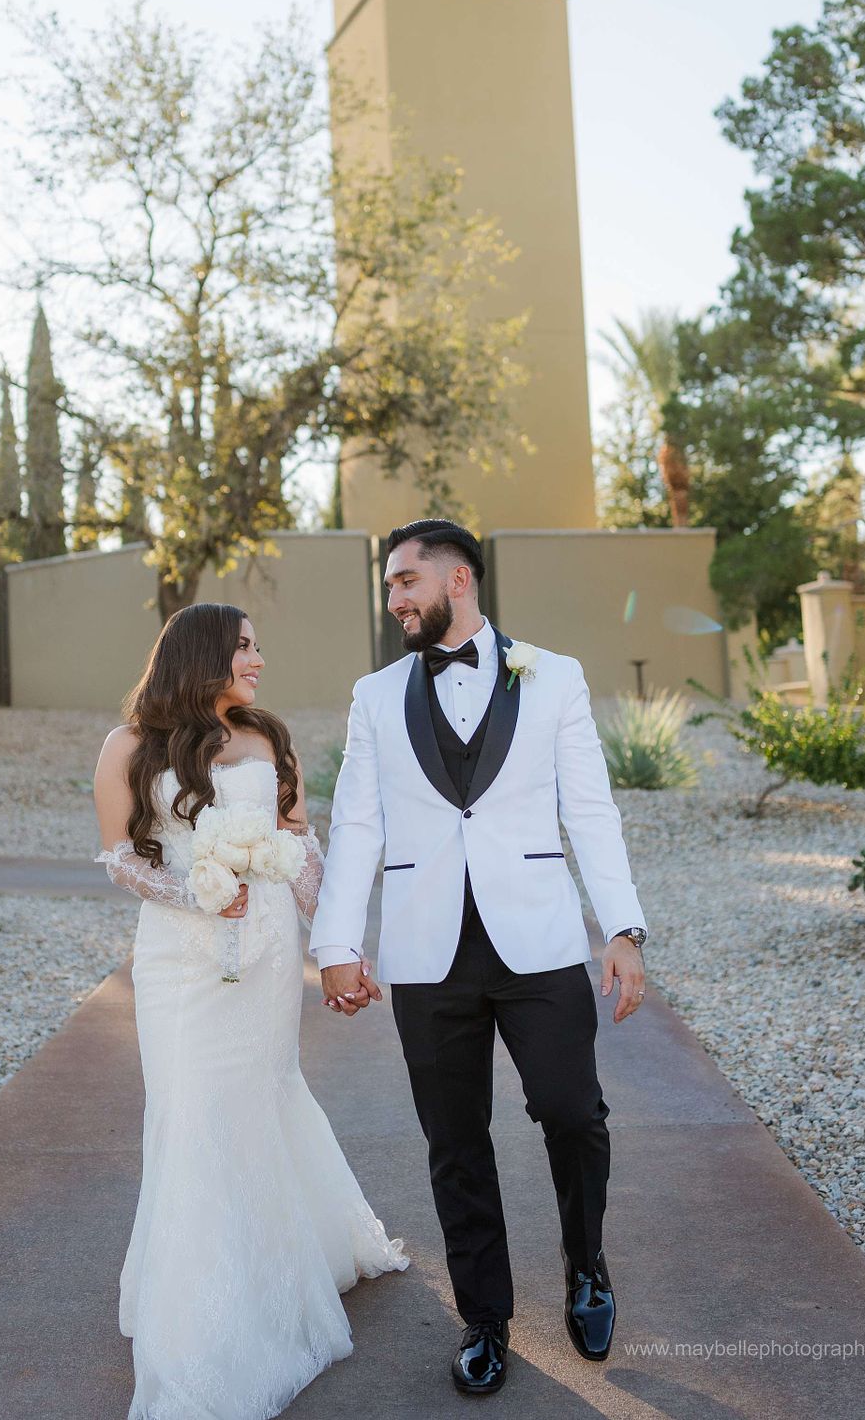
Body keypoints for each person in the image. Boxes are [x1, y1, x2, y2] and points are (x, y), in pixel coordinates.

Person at [311, 519, 648, 1396]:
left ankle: (587, 1267)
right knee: (455, 1141)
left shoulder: (557, 676)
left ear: (458, 579)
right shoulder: (375, 696)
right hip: (428, 954)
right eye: (389, 586)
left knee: (573, 1112)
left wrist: (623, 927)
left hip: (537, 941)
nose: (394, 600)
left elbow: (592, 811)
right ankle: (485, 1317)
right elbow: (356, 824)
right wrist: (337, 946)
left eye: (405, 581)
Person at [93, 602, 407, 1420]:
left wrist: (334, 950)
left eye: (260, 647)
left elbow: (301, 850)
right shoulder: (127, 746)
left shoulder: (268, 738)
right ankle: (200, 1320)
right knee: (192, 1110)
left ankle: (281, 1260)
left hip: (266, 958)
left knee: (263, 1095)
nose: (259, 661)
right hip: (179, 963)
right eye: (244, 648)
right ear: (199, 655)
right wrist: (198, 896)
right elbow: (122, 859)